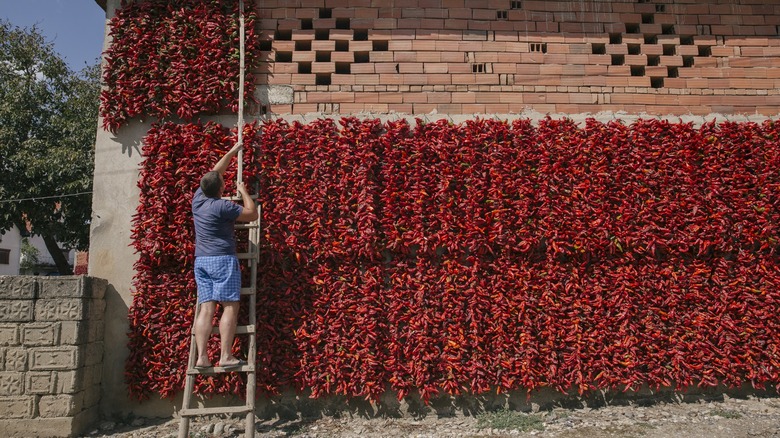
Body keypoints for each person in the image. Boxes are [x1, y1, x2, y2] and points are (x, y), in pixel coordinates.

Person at [191, 142, 258, 369]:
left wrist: (231, 152)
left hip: (201, 261)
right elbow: (251, 214)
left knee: (206, 307)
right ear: (221, 190)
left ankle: (201, 357)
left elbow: (216, 172)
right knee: (230, 305)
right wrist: (243, 191)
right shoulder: (222, 207)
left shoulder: (198, 200)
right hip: (222, 260)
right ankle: (226, 356)